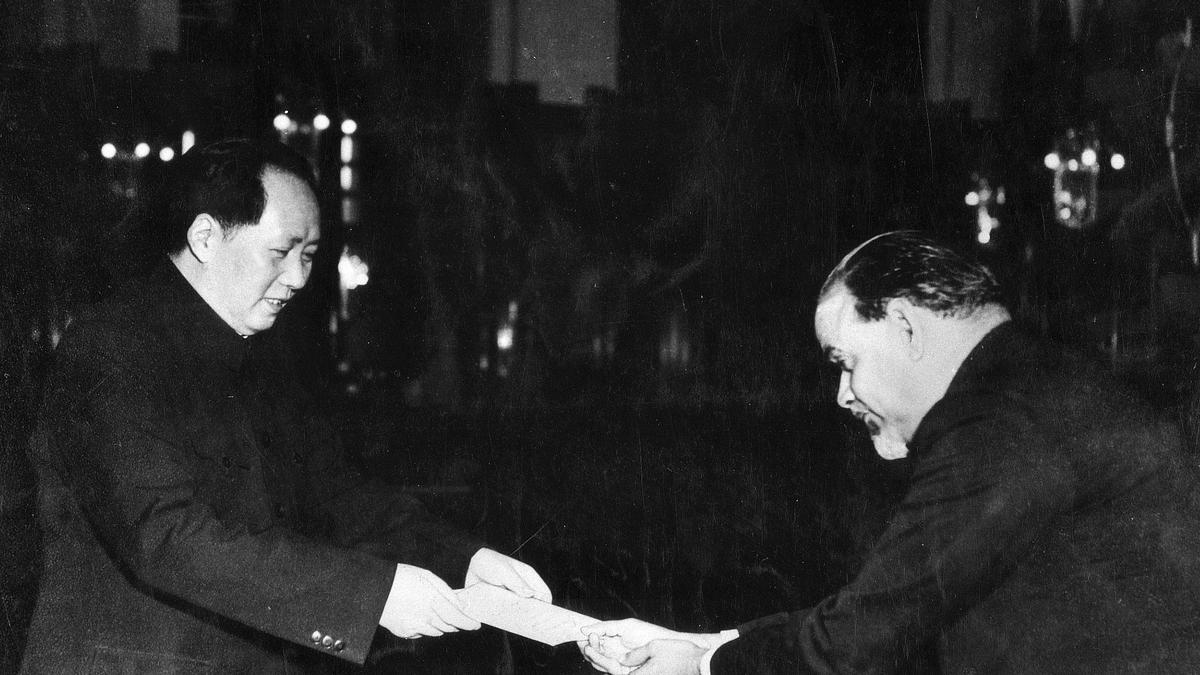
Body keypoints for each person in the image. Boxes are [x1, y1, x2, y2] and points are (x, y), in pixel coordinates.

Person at [20, 138, 550, 674]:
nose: (298, 278)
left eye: (309, 256)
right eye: (282, 252)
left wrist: (463, 559)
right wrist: (374, 597)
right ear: (205, 237)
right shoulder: (111, 348)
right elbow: (166, 537)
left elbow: (336, 494)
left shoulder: (260, 356)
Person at [581, 230, 1200, 674]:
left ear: (904, 326)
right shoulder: (1033, 383)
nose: (842, 394)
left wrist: (702, 662)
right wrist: (709, 645)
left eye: (845, 362)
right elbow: (888, 612)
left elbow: (862, 639)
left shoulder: (1000, 420)